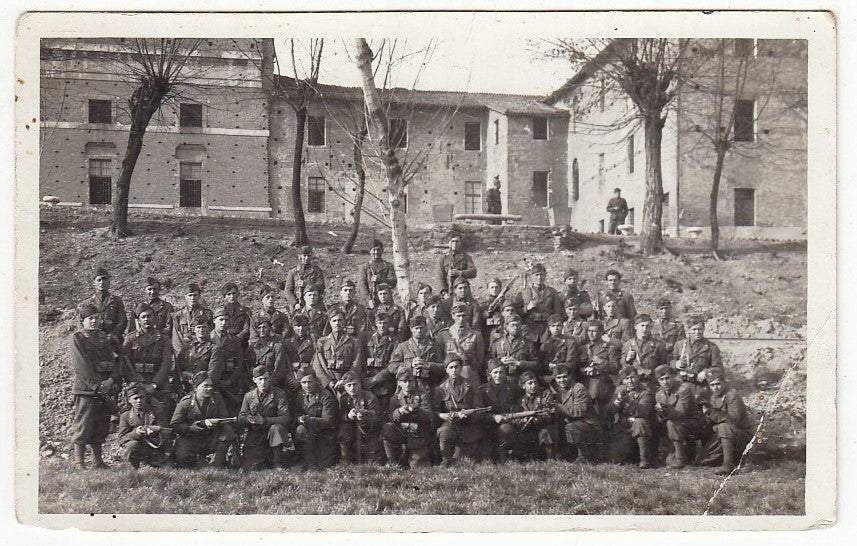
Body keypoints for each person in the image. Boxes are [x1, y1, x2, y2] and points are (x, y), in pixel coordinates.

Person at [69, 302, 122, 469]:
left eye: (97, 318)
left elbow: (113, 362)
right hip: (87, 389)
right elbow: (81, 366)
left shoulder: (102, 338)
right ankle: (79, 461)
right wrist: (98, 386)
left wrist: (112, 380)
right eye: (90, 318)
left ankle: (98, 462)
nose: (94, 321)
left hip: (105, 388)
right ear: (83, 321)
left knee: (100, 425)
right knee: (84, 424)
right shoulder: (77, 338)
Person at [170, 371, 237, 469]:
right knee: (182, 458)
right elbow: (174, 425)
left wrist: (215, 423)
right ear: (196, 388)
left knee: (228, 431)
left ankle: (217, 464)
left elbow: (224, 418)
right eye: (205, 386)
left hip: (210, 437)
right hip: (190, 438)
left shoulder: (217, 399)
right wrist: (191, 428)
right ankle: (197, 462)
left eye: (211, 386)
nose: (209, 388)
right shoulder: (186, 402)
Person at [434, 355, 487, 466]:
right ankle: (445, 458)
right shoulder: (440, 389)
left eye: (456, 367)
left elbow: (480, 408)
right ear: (446, 370)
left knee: (465, 461)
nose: (454, 370)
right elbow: (434, 411)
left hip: (468, 425)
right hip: (451, 424)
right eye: (451, 367)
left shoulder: (471, 386)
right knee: (444, 431)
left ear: (461, 368)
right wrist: (442, 415)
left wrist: (469, 415)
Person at [653, 365, 710, 469]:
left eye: (667, 378)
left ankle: (680, 459)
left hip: (694, 424)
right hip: (677, 427)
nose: (665, 382)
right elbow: (661, 417)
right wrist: (660, 413)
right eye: (661, 379)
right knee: (668, 460)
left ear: (674, 377)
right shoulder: (660, 394)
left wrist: (664, 410)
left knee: (671, 423)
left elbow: (681, 413)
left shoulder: (684, 389)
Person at [121, 303, 174, 414]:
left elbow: (166, 364)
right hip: (136, 382)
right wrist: (135, 382)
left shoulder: (164, 340)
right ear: (138, 320)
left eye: (149, 316)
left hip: (158, 381)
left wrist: (154, 384)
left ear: (154, 318)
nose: (146, 319)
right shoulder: (130, 339)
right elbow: (125, 365)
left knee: (165, 406)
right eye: (143, 317)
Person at [700, 367, 754, 475]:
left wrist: (711, 413)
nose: (715, 387)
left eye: (718, 384)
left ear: (724, 382)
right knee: (702, 459)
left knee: (724, 427)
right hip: (727, 435)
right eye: (712, 385)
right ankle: (725, 458)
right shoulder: (714, 397)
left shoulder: (732, 395)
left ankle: (728, 465)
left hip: (742, 435)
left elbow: (734, 420)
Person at [238, 365, 292, 470]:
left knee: (276, 428)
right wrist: (249, 419)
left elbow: (285, 418)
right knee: (251, 467)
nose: (263, 382)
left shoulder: (279, 394)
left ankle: (277, 463)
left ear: (270, 378)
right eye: (260, 379)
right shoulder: (249, 396)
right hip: (255, 434)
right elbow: (241, 417)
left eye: (266, 379)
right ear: (254, 380)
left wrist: (264, 420)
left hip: (271, 434)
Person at [381, 366, 434, 468]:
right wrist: (399, 411)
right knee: (388, 428)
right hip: (401, 432)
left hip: (418, 433)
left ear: (414, 381)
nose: (408, 384)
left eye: (410, 381)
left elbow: (429, 416)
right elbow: (391, 418)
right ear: (399, 383)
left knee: (418, 466)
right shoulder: (395, 398)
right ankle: (392, 461)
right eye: (404, 381)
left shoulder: (423, 396)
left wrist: (416, 410)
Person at [551, 363, 601, 464]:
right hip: (572, 424)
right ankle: (560, 454)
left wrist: (558, 407)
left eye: (565, 376)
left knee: (571, 427)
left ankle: (584, 456)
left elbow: (578, 412)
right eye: (558, 378)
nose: (562, 380)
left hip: (588, 424)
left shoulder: (579, 388)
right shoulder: (557, 390)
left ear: (570, 376)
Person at [607, 366, 656, 468]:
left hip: (643, 429)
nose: (630, 381)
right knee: (615, 459)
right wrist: (617, 402)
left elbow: (643, 412)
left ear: (638, 377)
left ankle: (644, 459)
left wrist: (628, 402)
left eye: (632, 377)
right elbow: (610, 410)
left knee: (640, 422)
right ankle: (632, 456)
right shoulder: (620, 390)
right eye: (627, 378)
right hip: (624, 427)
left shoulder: (645, 392)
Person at [117, 384, 172, 468]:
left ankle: (155, 462)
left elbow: (166, 431)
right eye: (135, 398)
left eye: (141, 397)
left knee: (168, 469)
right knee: (132, 445)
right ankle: (134, 466)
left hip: (156, 446)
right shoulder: (126, 415)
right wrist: (136, 433)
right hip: (138, 447)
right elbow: (121, 438)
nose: (139, 401)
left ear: (146, 398)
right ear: (129, 400)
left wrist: (154, 430)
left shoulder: (156, 411)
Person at [294, 369, 339, 470]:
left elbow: (328, 421)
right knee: (300, 430)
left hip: (326, 434)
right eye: (303, 383)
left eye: (310, 382)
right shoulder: (301, 395)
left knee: (324, 465)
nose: (307, 386)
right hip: (309, 432)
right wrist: (299, 419)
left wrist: (308, 420)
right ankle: (306, 459)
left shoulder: (326, 396)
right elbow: (296, 413)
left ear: (316, 381)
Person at [509, 371, 558, 461]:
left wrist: (536, 419)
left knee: (545, 433)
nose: (534, 385)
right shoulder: (519, 401)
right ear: (523, 386)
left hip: (541, 427)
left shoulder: (544, 396)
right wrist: (523, 421)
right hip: (526, 429)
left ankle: (551, 459)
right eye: (530, 383)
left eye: (535, 382)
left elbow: (549, 415)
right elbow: (514, 418)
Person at [578, 320, 621, 422]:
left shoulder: (610, 348)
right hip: (585, 384)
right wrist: (584, 370)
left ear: (601, 332)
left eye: (594, 331)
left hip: (602, 387)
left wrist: (601, 362)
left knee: (601, 417)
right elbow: (576, 366)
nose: (591, 334)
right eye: (589, 331)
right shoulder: (583, 348)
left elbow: (615, 368)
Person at [312, 310, 366, 390]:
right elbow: (317, 365)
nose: (337, 323)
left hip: (349, 383)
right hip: (328, 383)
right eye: (334, 321)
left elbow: (357, 363)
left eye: (340, 320)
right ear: (330, 322)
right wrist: (328, 382)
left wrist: (344, 381)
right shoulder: (322, 341)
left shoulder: (354, 341)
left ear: (345, 321)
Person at [337, 370, 383, 464]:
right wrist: (348, 416)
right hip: (351, 429)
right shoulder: (344, 398)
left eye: (355, 384)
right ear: (345, 387)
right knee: (344, 430)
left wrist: (364, 417)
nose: (352, 388)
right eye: (349, 385)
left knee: (374, 461)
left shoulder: (370, 397)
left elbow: (377, 419)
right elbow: (339, 417)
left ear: (360, 385)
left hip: (369, 430)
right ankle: (346, 460)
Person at [436, 302, 486, 386]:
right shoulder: (444, 334)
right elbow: (439, 356)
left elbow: (480, 359)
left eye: (464, 315)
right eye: (458, 316)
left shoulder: (476, 334)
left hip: (469, 372)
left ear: (467, 316)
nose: (461, 319)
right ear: (453, 316)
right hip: (450, 373)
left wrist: (472, 369)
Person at [388, 315, 446, 387]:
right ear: (411, 329)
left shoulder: (434, 346)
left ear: (426, 328)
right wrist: (410, 364)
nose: (419, 331)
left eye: (422, 328)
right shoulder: (402, 346)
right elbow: (392, 367)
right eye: (416, 328)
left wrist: (428, 365)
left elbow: (444, 367)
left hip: (429, 386)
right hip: (408, 387)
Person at [478, 364, 520, 463]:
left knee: (506, 429)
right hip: (486, 425)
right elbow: (479, 411)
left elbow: (517, 406)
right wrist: (493, 417)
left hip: (505, 423)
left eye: (501, 372)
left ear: (505, 374)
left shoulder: (512, 389)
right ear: (489, 374)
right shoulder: (482, 390)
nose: (498, 375)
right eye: (495, 372)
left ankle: (504, 458)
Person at [210, 306, 247, 414]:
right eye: (220, 319)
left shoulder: (235, 340)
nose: (224, 323)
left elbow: (239, 364)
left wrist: (229, 381)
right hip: (212, 382)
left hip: (230, 382)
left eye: (226, 320)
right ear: (214, 321)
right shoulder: (208, 338)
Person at [245, 316, 296, 394]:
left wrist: (266, 385)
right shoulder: (252, 347)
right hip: (256, 384)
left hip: (272, 385)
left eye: (264, 327)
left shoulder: (277, 347)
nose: (262, 330)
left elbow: (279, 371)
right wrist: (253, 385)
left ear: (270, 329)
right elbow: (247, 368)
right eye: (259, 328)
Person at [515, 263, 563, 344]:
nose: (539, 277)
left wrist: (554, 327)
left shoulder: (552, 292)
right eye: (536, 275)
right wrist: (527, 308)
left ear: (545, 276)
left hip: (547, 329)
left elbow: (557, 312)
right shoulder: (523, 292)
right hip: (529, 329)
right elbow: (516, 312)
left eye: (541, 275)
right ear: (532, 276)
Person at [362, 312, 399, 413]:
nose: (382, 326)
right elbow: (361, 359)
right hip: (367, 382)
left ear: (389, 324)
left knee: (383, 413)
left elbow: (393, 365)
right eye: (380, 323)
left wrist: (375, 379)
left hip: (385, 384)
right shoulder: (367, 339)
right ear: (376, 323)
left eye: (385, 323)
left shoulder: (394, 341)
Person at [82, 266, 127, 350]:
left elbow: (122, 320)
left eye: (104, 279)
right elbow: (82, 323)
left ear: (109, 282)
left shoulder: (117, 301)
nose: (102, 282)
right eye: (99, 280)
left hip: (113, 340)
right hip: (94, 340)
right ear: (94, 282)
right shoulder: (87, 303)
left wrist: (114, 334)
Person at [487, 312, 540, 382]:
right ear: (507, 327)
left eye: (518, 325)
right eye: (513, 325)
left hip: (521, 379)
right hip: (502, 380)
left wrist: (519, 363)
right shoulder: (498, 343)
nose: (515, 328)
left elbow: (536, 364)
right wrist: (500, 362)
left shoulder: (528, 343)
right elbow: (489, 361)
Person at [621, 314, 669, 388]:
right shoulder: (628, 344)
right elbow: (622, 365)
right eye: (642, 326)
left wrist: (649, 372)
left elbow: (664, 367)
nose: (644, 329)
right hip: (634, 385)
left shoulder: (658, 345)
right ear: (635, 326)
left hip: (652, 383)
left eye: (647, 326)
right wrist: (627, 359)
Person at [174, 316, 218, 395]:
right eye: (198, 327)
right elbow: (178, 369)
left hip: (204, 388)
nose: (201, 330)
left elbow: (212, 373)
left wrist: (195, 380)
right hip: (185, 387)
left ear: (208, 329)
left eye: (204, 327)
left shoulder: (214, 348)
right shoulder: (186, 347)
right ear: (194, 329)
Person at [671, 315, 722, 383]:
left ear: (703, 329)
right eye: (694, 329)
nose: (697, 332)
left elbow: (718, 368)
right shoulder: (680, 345)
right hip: (682, 383)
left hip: (701, 384)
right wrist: (676, 364)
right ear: (688, 330)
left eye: (700, 329)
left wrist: (706, 373)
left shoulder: (711, 347)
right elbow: (671, 362)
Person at [171, 283, 213, 355]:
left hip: (202, 351)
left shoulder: (207, 314)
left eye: (195, 295)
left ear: (199, 296)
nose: (193, 298)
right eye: (190, 295)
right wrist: (181, 353)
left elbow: (210, 334)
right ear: (185, 297)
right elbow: (176, 339)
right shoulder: (178, 315)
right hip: (184, 351)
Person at [357, 239, 397, 309]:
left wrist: (380, 280)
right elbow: (362, 285)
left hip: (385, 300)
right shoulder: (364, 267)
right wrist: (368, 300)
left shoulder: (388, 266)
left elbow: (393, 282)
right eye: (373, 250)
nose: (376, 252)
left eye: (378, 249)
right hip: (369, 302)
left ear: (382, 250)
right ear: (370, 251)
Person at [284, 245, 326, 311]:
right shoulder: (293, 272)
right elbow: (288, 290)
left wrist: (307, 284)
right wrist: (295, 303)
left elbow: (321, 286)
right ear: (299, 256)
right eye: (304, 255)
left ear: (312, 256)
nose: (306, 258)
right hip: (298, 305)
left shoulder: (316, 271)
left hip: (314, 304)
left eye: (308, 256)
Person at [220, 282, 251, 346]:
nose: (232, 296)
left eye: (234, 293)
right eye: (229, 294)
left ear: (238, 294)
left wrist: (236, 339)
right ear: (224, 297)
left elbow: (246, 330)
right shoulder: (221, 312)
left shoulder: (245, 311)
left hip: (240, 343)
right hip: (224, 342)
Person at [480, 278, 506, 343]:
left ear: (500, 288)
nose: (494, 289)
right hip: (488, 331)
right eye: (492, 287)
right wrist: (487, 314)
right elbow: (480, 320)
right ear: (488, 289)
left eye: (496, 287)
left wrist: (501, 305)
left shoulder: (506, 302)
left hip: (503, 330)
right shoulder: (484, 304)